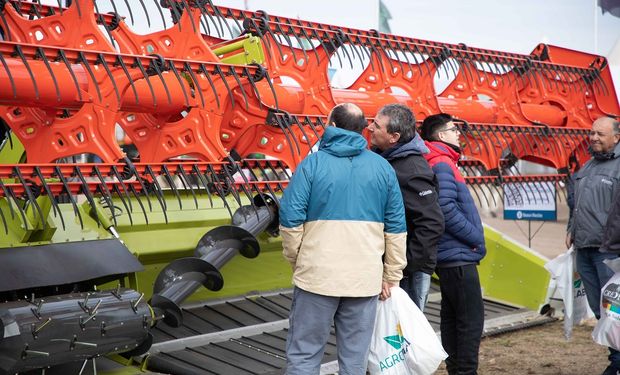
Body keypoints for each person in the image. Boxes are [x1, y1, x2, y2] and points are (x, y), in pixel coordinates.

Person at [279, 103, 407, 375]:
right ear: (363, 129)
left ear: (331, 125)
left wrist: (298, 260)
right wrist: (391, 275)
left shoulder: (311, 165)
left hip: (317, 276)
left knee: (304, 354)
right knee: (354, 360)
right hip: (364, 279)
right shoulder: (383, 168)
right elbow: (396, 227)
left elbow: (290, 219)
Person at [419, 113, 486, 375]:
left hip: (448, 256)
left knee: (452, 317)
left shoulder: (436, 160)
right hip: (458, 255)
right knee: (470, 321)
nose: (458, 133)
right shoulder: (442, 163)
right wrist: (474, 236)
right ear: (440, 136)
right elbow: (444, 207)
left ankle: (456, 370)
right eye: (453, 129)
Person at [369, 103, 445, 311]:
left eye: (376, 125)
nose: (370, 128)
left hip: (409, 273)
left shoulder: (412, 170)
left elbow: (432, 223)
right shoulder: (386, 161)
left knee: (404, 334)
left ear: (393, 137)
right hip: (395, 266)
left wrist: (402, 268)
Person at [566, 116, 620, 375]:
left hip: (609, 253)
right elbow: (576, 204)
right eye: (592, 133)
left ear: (616, 138)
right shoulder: (587, 167)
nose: (594, 138)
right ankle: (616, 358)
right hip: (585, 249)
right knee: (602, 311)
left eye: (600, 134)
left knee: (615, 312)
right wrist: (570, 228)